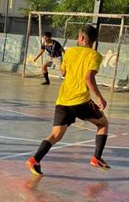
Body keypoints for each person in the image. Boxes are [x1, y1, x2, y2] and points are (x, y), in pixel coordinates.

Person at [26, 25, 110, 177]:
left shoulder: (70, 51)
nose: (77, 39)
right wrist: (100, 98)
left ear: (83, 38)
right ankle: (96, 158)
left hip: (63, 100)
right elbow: (88, 78)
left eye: (78, 36)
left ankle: (35, 159)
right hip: (80, 101)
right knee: (103, 124)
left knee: (55, 135)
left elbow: (63, 72)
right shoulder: (95, 55)